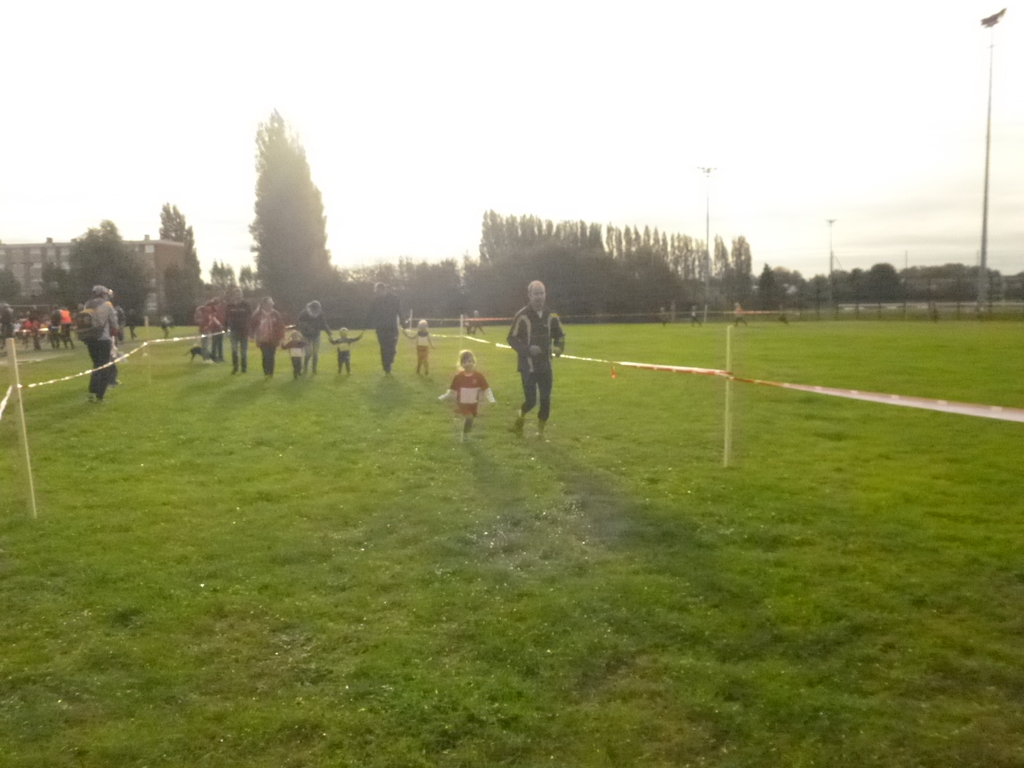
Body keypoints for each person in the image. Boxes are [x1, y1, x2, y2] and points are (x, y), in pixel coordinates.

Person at [507, 280, 565, 438]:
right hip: (528, 367)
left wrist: (558, 348)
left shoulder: (552, 315)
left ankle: (540, 433)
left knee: (545, 399)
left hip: (546, 365)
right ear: (529, 295)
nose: (539, 297)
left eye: (542, 293)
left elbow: (560, 336)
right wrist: (528, 349)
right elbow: (511, 338)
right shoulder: (522, 315)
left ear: (545, 294)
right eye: (536, 293)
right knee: (531, 401)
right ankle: (520, 418)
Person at [439, 349, 495, 442]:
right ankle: (464, 436)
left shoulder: (478, 376)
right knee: (469, 417)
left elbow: (486, 389)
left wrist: (491, 400)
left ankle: (465, 435)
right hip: (462, 403)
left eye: (470, 361)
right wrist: (443, 397)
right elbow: (452, 391)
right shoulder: (459, 376)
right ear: (461, 364)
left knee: (470, 420)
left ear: (474, 362)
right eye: (465, 362)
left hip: (473, 403)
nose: (468, 364)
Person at [80, 285, 119, 403]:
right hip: (103, 338)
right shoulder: (107, 305)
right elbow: (114, 322)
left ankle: (92, 392)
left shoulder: (87, 304)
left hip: (90, 338)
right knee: (104, 366)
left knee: (96, 365)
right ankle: (100, 395)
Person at [365, 282, 401, 374]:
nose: (378, 293)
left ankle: (389, 361)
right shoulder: (376, 301)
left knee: (392, 347)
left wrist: (403, 323)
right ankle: (386, 366)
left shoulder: (394, 299)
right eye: (376, 292)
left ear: (384, 290)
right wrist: (366, 324)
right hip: (381, 327)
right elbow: (371, 313)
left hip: (392, 327)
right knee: (384, 347)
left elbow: (399, 311)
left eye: (379, 291)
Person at [249, 297, 285, 377]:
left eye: (272, 303)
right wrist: (252, 335)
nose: (271, 305)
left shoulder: (276, 314)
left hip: (273, 338)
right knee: (265, 355)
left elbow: (281, 326)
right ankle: (266, 371)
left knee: (271, 356)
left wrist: (281, 337)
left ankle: (270, 373)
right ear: (264, 304)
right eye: (269, 303)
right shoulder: (258, 314)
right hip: (262, 339)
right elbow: (252, 325)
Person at [296, 300, 333, 375]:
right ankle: (305, 367)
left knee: (315, 353)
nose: (318, 310)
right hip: (306, 335)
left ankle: (314, 369)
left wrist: (329, 333)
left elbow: (324, 323)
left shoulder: (320, 313)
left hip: (316, 335)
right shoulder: (304, 313)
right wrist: (307, 328)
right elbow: (299, 323)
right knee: (308, 353)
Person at [224, 287, 252, 374]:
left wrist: (249, 327)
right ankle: (235, 367)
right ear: (233, 295)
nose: (238, 296)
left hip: (244, 330)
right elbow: (226, 317)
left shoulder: (246, 304)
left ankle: (244, 368)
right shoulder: (230, 305)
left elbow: (250, 316)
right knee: (234, 349)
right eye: (236, 294)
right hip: (234, 330)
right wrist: (225, 327)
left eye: (239, 294)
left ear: (242, 295)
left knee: (243, 351)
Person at [210, 293, 227, 362]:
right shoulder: (213, 309)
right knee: (215, 343)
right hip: (215, 328)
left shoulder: (220, 309)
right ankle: (213, 357)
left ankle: (221, 357)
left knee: (220, 343)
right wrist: (219, 325)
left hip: (220, 328)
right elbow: (213, 318)